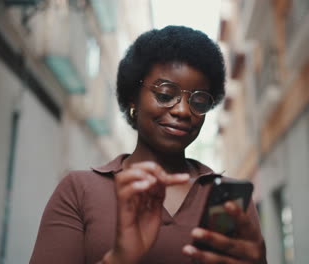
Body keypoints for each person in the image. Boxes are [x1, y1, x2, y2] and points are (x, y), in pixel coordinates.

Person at [30, 25, 267, 264]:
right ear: (133, 96)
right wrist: (119, 259)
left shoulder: (228, 200)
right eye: (165, 95)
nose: (183, 111)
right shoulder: (80, 190)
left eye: (198, 100)